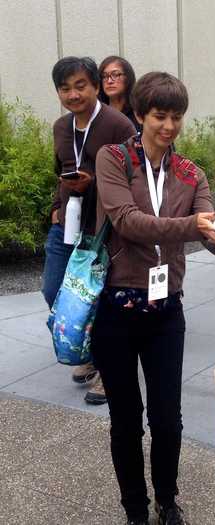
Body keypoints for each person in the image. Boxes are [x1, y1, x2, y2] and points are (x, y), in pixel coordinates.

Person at [93, 71, 215, 525]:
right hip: (116, 308)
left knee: (167, 419)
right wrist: (198, 226)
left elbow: (211, 232)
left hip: (167, 311)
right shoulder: (112, 160)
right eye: (159, 116)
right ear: (139, 114)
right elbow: (128, 221)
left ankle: (167, 501)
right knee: (126, 420)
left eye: (176, 117)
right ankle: (136, 509)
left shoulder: (190, 173)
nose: (168, 126)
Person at [43, 56, 135, 405]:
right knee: (55, 291)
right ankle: (94, 355)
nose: (73, 94)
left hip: (104, 228)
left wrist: (94, 183)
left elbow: (133, 177)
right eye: (64, 88)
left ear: (96, 86)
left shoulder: (117, 126)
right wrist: (56, 207)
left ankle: (108, 371)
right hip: (67, 224)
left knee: (105, 300)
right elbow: (61, 170)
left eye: (80, 86)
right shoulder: (61, 128)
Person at [98, 55, 140, 130]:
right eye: (104, 76)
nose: (109, 81)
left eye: (115, 75)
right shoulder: (97, 113)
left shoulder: (138, 112)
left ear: (128, 78)